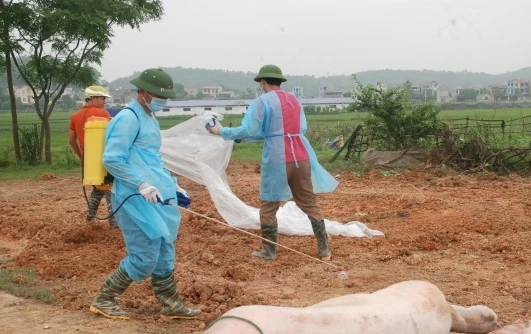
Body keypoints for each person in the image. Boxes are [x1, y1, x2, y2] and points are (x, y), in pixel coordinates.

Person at [89, 68, 200, 320]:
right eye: (156, 95)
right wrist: (141, 184)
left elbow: (152, 160)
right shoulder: (128, 118)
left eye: (165, 97)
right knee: (144, 254)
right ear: (142, 92)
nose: (162, 100)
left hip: (155, 195)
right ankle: (104, 299)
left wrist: (173, 185)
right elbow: (112, 159)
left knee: (163, 247)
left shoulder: (150, 117)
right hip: (133, 198)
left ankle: (170, 303)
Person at [207, 64, 338, 261]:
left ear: (262, 82)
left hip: (277, 158)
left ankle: (269, 251)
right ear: (280, 81)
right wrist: (241, 137)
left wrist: (222, 132)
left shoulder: (262, 102)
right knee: (309, 202)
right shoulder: (294, 100)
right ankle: (324, 249)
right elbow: (299, 128)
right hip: (301, 156)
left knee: (269, 205)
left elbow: (249, 129)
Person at [68, 85, 118, 229]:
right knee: (110, 189)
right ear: (93, 98)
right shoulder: (102, 113)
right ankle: (114, 225)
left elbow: (71, 140)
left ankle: (90, 220)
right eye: (102, 98)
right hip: (104, 158)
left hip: (89, 160)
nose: (104, 101)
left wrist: (81, 156)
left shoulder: (75, 116)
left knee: (97, 189)